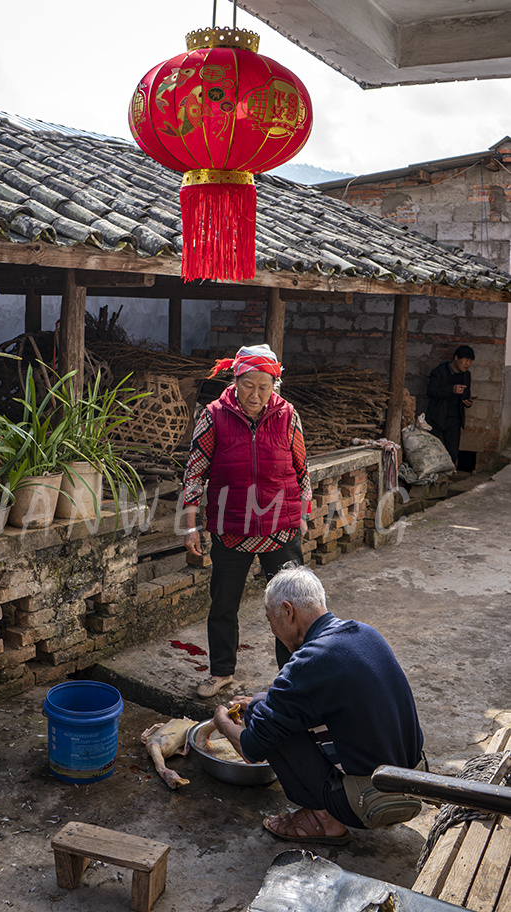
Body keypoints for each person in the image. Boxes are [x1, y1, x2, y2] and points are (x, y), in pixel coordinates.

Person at [213, 567, 426, 844]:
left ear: (288, 611)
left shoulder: (309, 662)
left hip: (370, 803)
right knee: (263, 704)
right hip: (414, 784)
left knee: (257, 713)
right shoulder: (365, 633)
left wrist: (221, 720)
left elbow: (251, 749)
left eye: (270, 619)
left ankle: (325, 819)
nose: (273, 630)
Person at [182, 344, 311, 698]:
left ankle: (292, 678)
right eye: (248, 385)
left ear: (275, 386)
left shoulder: (287, 415)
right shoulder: (214, 415)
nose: (255, 394)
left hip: (280, 528)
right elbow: (195, 472)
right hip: (230, 528)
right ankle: (222, 671)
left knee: (291, 609)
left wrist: (304, 513)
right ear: (235, 380)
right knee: (224, 603)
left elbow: (302, 468)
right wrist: (190, 523)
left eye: (264, 386)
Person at [425, 345, 475, 465]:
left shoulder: (466, 375)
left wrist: (468, 402)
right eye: (466, 360)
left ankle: (446, 478)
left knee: (452, 453)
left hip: (454, 420)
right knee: (433, 453)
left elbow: (466, 394)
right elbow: (431, 392)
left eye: (470, 361)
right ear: (456, 358)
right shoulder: (439, 372)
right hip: (437, 418)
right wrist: (451, 389)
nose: (468, 364)